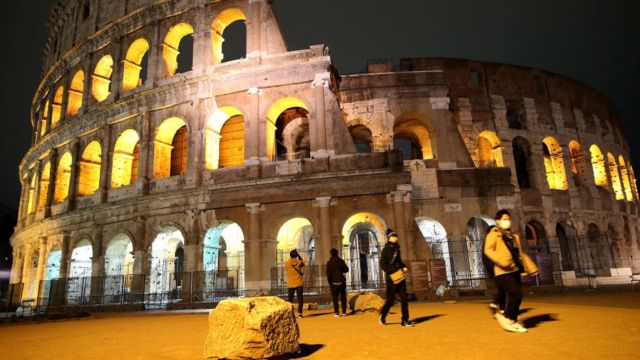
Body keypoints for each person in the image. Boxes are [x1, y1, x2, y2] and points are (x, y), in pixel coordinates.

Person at [484, 210, 539, 333]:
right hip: (502, 270)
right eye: (504, 219)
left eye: (508, 219)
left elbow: (520, 253)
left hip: (514, 269)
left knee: (518, 294)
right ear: (498, 221)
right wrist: (500, 260)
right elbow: (487, 250)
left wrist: (532, 267)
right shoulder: (493, 234)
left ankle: (513, 321)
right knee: (515, 293)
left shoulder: (512, 235)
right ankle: (508, 318)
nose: (507, 221)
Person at [379, 229, 415, 327]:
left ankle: (405, 320)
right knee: (391, 300)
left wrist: (403, 266)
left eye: (396, 235)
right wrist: (393, 270)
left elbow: (398, 261)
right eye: (394, 236)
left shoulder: (397, 249)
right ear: (389, 238)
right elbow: (383, 264)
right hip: (391, 278)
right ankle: (383, 315)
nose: (396, 237)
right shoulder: (385, 250)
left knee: (404, 298)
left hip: (400, 276)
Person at [483, 225, 506, 317]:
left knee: (502, 288)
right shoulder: (488, 243)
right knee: (503, 287)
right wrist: (491, 270)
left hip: (498, 269)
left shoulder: (496, 241)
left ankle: (501, 308)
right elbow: (486, 259)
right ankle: (496, 305)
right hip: (495, 269)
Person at [326, 248, 349, 317]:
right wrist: (341, 270)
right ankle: (344, 312)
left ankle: (336, 313)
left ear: (331, 254)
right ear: (337, 253)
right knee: (343, 297)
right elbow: (346, 269)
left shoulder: (329, 263)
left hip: (333, 282)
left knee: (335, 298)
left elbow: (328, 274)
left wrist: (330, 282)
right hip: (341, 281)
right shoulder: (341, 261)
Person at [285, 249, 305, 318]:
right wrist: (299, 256)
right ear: (296, 255)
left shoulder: (287, 263)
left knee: (290, 299)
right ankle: (300, 314)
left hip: (290, 283)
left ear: (290, 255)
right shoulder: (299, 262)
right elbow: (303, 264)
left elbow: (286, 270)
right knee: (300, 299)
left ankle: (290, 314)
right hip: (298, 282)